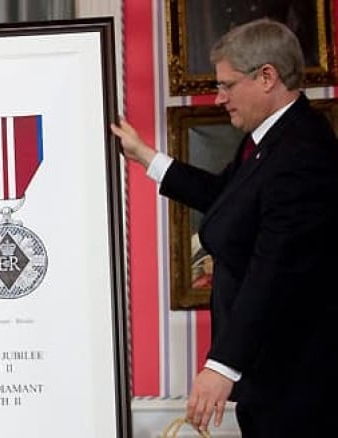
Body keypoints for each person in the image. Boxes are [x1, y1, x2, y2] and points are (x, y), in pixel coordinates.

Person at [111, 19, 338, 437]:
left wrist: (221, 365)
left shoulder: (301, 152)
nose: (219, 98)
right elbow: (225, 197)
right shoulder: (272, 140)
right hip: (274, 379)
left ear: (266, 77)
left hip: (299, 386)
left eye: (227, 85)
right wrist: (146, 157)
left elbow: (275, 268)